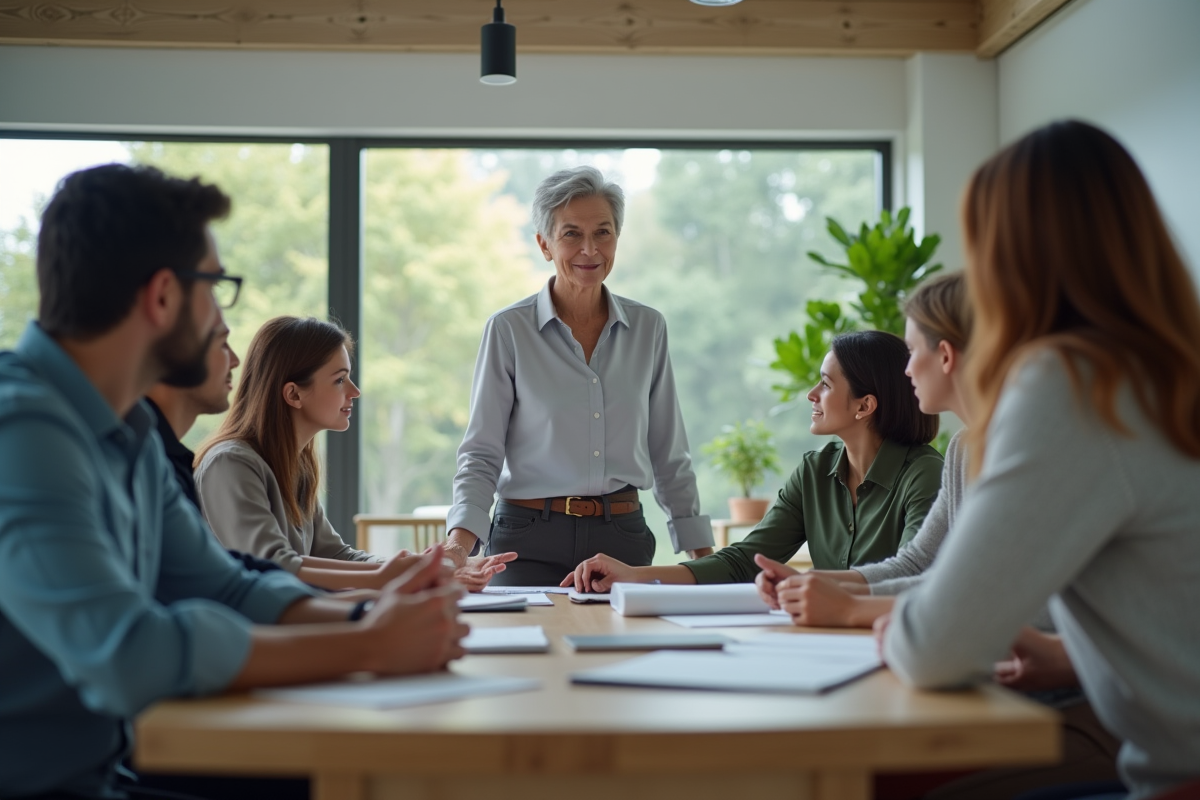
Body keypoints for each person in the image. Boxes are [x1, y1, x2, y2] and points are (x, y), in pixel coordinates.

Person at [0, 164, 467, 800]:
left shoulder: (129, 427)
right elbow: (129, 655)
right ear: (163, 297)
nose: (225, 319)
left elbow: (225, 584)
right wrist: (367, 644)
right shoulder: (20, 431)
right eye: (215, 288)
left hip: (105, 773)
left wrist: (368, 613)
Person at [881, 120, 1200, 799]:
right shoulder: (1168, 370)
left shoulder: (1073, 382)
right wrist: (1073, 657)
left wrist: (894, 623)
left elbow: (933, 647)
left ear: (1009, 258)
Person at [444, 165, 714, 586]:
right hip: (525, 539)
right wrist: (457, 548)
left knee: (625, 653)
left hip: (621, 538)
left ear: (617, 239)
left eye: (603, 232)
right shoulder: (509, 330)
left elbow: (668, 452)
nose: (590, 249)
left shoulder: (649, 328)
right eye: (571, 234)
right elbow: (482, 454)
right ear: (545, 245)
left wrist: (704, 558)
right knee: (526, 649)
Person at [565, 329, 943, 590]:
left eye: (826, 384)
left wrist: (807, 583)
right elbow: (745, 560)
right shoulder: (814, 471)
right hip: (824, 635)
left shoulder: (924, 474)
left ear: (865, 405)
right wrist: (635, 575)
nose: (812, 394)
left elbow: (912, 575)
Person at [194, 316, 515, 591]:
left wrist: (424, 566)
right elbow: (275, 565)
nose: (354, 391)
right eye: (339, 380)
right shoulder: (230, 463)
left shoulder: (295, 466)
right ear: (293, 394)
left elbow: (335, 555)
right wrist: (405, 575)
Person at [756, 271, 973, 627]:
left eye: (913, 351)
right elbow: (916, 566)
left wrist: (846, 608)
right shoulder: (962, 448)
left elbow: (964, 589)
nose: (907, 370)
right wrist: (813, 585)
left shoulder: (940, 465)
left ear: (945, 356)